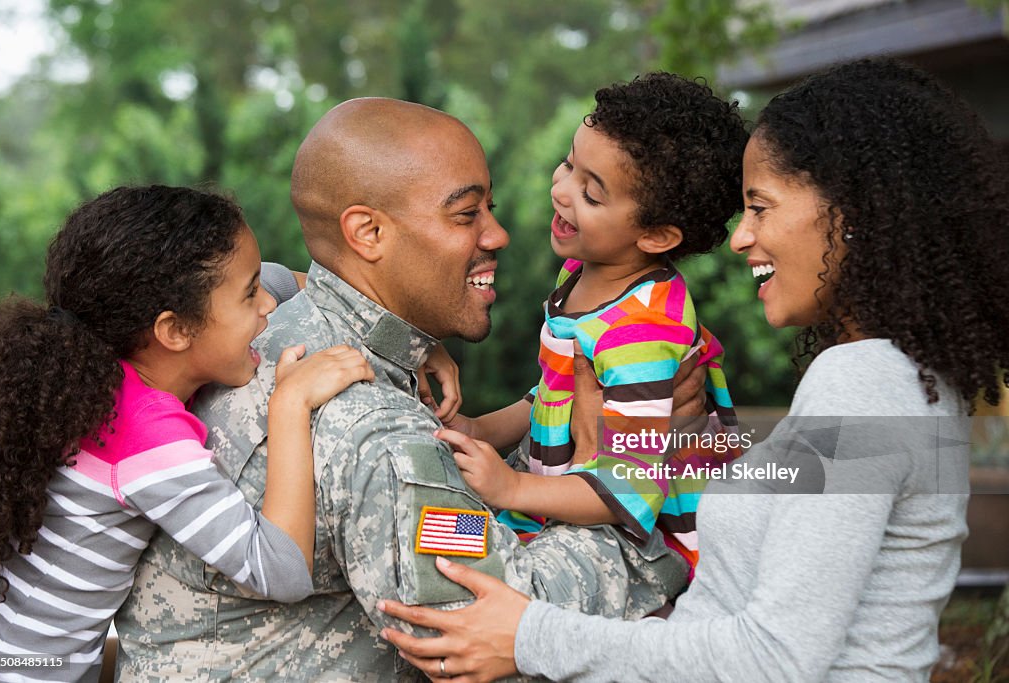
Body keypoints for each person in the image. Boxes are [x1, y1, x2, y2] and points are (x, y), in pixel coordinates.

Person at [379, 57, 1009, 682]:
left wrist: (527, 638)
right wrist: (678, 433)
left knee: (431, 577)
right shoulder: (899, 381)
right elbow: (797, 491)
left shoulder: (865, 382)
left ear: (855, 216)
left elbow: (775, 658)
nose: (740, 239)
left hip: (608, 549)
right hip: (599, 539)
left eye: (761, 208)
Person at [112, 98, 705, 681]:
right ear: (367, 232)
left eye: (489, 208)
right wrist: (640, 505)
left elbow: (452, 517)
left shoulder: (259, 328)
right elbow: (487, 624)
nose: (497, 235)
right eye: (466, 214)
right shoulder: (380, 435)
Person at [0, 185, 375, 682]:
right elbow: (283, 570)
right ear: (174, 330)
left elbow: (277, 277)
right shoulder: (150, 442)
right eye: (249, 295)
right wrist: (291, 403)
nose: (267, 308)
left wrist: (406, 337)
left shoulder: (107, 372)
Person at [437, 73, 746, 574]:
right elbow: (550, 393)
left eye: (592, 195)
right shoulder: (583, 271)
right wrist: (478, 428)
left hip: (633, 543)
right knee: (429, 533)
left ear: (656, 236)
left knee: (448, 556)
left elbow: (630, 488)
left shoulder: (641, 333)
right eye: (568, 164)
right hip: (556, 499)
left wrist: (512, 487)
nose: (561, 190)